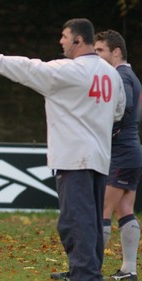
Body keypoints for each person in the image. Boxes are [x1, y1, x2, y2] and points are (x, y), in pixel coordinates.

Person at [0, 18, 126, 281]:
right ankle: (88, 271)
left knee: (75, 222)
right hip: (99, 158)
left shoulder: (69, 72)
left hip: (74, 158)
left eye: (64, 36)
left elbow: (28, 67)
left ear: (78, 40)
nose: (60, 41)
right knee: (92, 221)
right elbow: (118, 111)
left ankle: (85, 275)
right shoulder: (110, 75)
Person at [94, 30, 142, 281]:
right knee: (124, 209)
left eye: (100, 51)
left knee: (103, 208)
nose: (97, 56)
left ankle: (89, 270)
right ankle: (129, 270)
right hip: (131, 151)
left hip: (122, 153)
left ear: (116, 52)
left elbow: (123, 109)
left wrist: (104, 131)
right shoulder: (130, 75)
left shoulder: (120, 76)